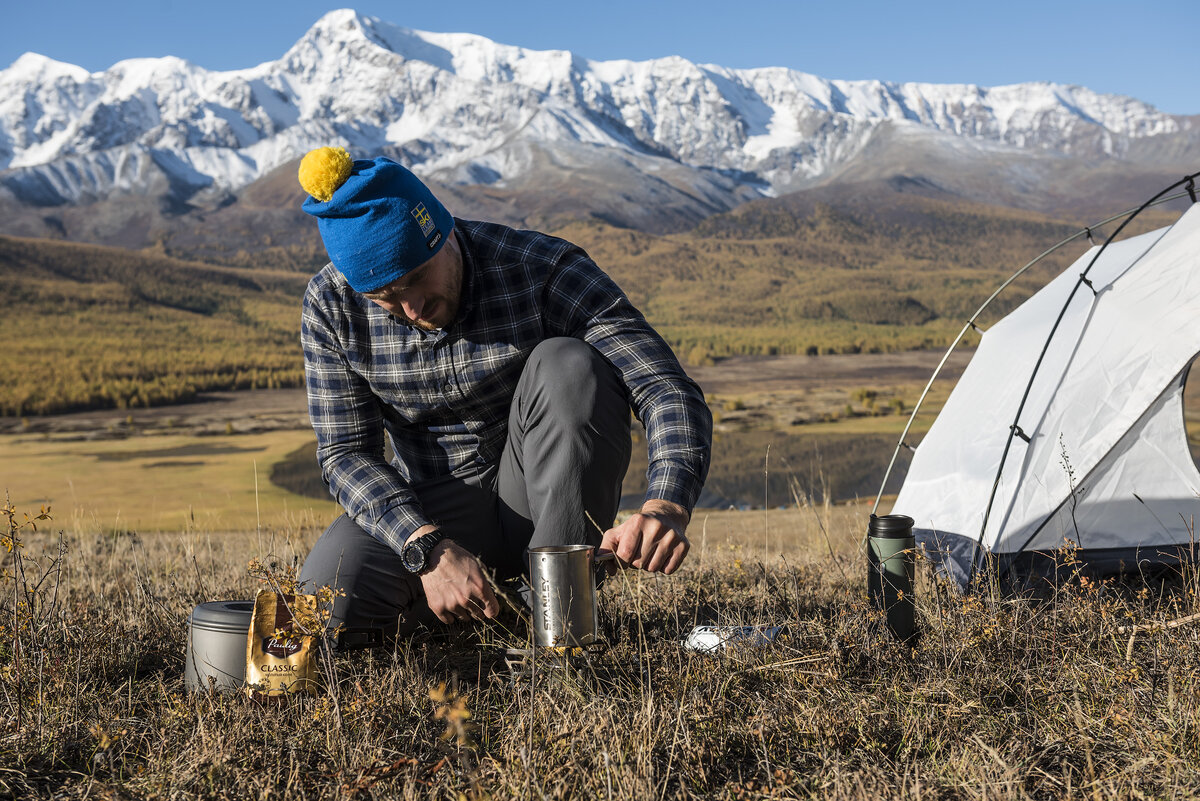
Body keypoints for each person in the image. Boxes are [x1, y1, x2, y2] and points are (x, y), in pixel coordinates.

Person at [294, 146, 712, 638]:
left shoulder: (543, 267)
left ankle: (559, 624)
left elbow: (663, 386)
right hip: (433, 507)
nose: (410, 308)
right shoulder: (330, 305)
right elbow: (346, 453)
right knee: (320, 608)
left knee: (569, 365)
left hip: (545, 495)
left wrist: (665, 507)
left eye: (416, 279)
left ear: (443, 230)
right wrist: (424, 547)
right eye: (383, 297)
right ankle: (466, 612)